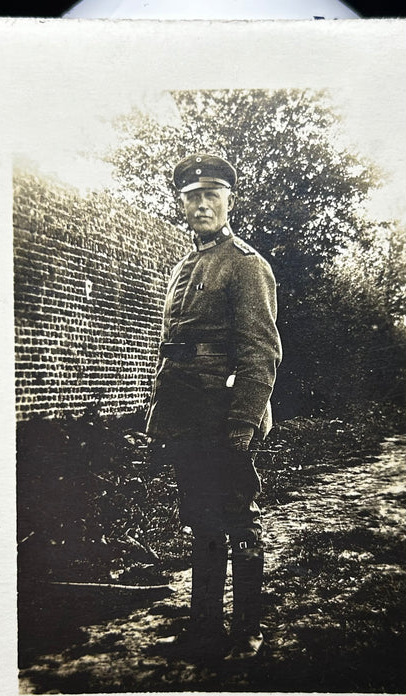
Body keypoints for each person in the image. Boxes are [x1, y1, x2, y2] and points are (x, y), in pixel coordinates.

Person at [146, 154, 282, 661]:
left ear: (229, 201)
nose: (201, 204)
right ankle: (203, 625)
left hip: (225, 415)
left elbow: (261, 352)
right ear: (181, 203)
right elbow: (172, 348)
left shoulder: (247, 265)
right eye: (192, 197)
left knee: (237, 518)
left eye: (211, 195)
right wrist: (162, 415)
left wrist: (243, 423)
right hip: (186, 415)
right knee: (200, 520)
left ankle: (248, 627)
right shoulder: (184, 267)